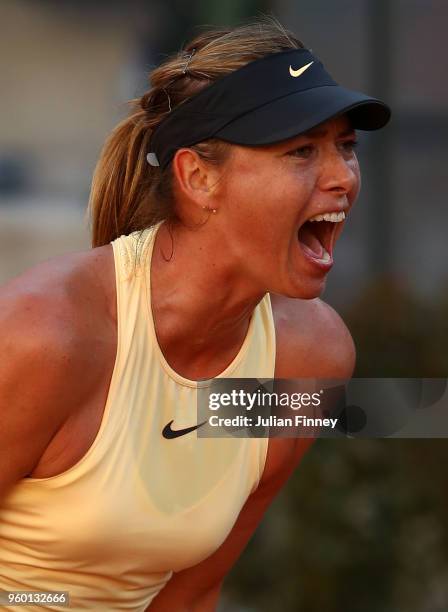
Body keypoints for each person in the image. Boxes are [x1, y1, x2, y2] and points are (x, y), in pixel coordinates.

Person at [0, 16, 390, 612]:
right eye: (302, 151)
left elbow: (193, 590)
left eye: (346, 147)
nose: (342, 177)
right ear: (199, 178)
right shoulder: (47, 333)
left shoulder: (309, 359)